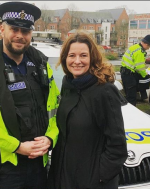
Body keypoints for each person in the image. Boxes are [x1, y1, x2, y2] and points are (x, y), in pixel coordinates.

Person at [0, 2, 60, 189]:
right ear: (2, 29)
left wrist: (50, 139)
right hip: (4, 168)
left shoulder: (41, 66)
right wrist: (17, 146)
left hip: (38, 164)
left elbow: (55, 111)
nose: (20, 36)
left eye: (25, 31)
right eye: (14, 29)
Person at [47, 31, 128, 189]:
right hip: (64, 177)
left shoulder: (104, 91)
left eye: (83, 55)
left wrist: (99, 177)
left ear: (92, 58)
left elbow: (117, 144)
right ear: (65, 59)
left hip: (91, 181)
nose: (77, 61)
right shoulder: (67, 87)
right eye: (72, 56)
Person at [120, 34, 150, 106]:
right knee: (132, 98)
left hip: (125, 73)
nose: (148, 48)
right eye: (149, 46)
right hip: (129, 75)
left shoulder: (134, 47)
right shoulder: (140, 52)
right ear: (146, 44)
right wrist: (145, 74)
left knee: (128, 96)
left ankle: (127, 112)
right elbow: (139, 67)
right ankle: (131, 114)